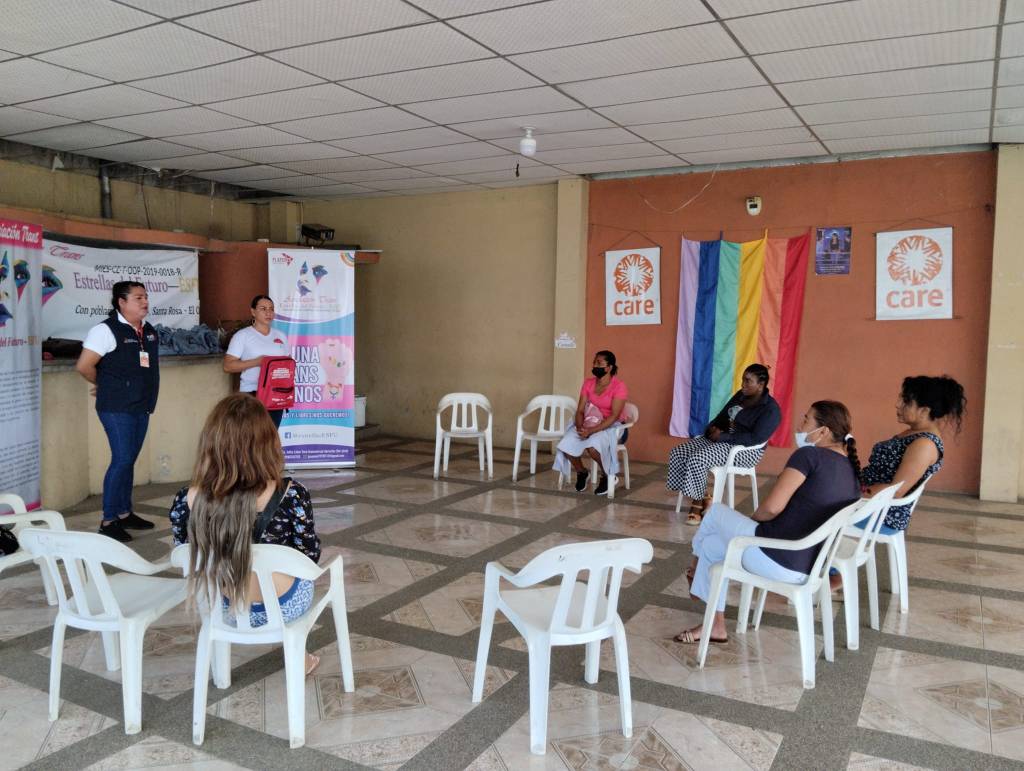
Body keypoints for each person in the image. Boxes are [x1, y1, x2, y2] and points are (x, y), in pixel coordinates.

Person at [675, 400, 861, 644]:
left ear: (823, 431)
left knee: (715, 512)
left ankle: (694, 569)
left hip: (775, 556)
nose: (800, 426)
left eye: (806, 420)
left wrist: (747, 529)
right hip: (807, 566)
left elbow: (772, 508)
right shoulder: (851, 470)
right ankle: (715, 626)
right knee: (711, 545)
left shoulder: (809, 456)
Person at [169, 393, 322, 674]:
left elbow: (184, 552)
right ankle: (299, 656)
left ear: (211, 443)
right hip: (286, 606)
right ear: (268, 443)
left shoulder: (186, 499)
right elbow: (309, 556)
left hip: (222, 607)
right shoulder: (292, 495)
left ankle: (221, 670)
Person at [829, 375, 966, 590]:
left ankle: (833, 576)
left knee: (813, 508)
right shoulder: (915, 433)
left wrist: (849, 493)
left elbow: (896, 490)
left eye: (906, 401)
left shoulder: (924, 444)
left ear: (925, 410)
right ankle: (824, 568)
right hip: (868, 500)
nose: (898, 405)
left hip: (880, 512)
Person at [75, 280, 159, 542]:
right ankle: (109, 520)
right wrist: (105, 385)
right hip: (116, 407)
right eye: (138, 298)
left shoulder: (148, 330)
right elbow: (84, 366)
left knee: (129, 459)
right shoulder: (105, 330)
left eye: (145, 297)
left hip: (141, 405)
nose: (144, 301)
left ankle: (124, 512)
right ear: (121, 302)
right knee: (121, 459)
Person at [667, 364, 781, 525]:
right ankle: (704, 497)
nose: (743, 384)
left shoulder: (771, 410)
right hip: (724, 440)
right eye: (743, 380)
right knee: (678, 453)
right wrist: (712, 429)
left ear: (761, 384)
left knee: (698, 459)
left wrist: (723, 437)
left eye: (748, 381)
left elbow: (755, 438)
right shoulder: (741, 396)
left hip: (745, 451)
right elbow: (723, 415)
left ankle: (697, 504)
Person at [553, 350, 629, 496]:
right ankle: (582, 472)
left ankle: (607, 475)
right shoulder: (588, 383)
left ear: (609, 367)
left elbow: (614, 416)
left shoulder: (619, 386)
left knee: (593, 447)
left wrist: (591, 431)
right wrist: (580, 428)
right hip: (588, 423)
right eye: (594, 362)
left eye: (599, 363)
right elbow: (580, 410)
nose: (595, 366)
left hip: (612, 427)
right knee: (566, 444)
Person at [223, 294, 290, 428]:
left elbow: (288, 364)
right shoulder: (242, 336)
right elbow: (228, 366)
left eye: (271, 309)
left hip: (276, 394)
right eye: (263, 309)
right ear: (253, 312)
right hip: (252, 394)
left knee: (271, 434)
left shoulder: (281, 336)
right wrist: (257, 362)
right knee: (252, 436)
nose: (268, 313)